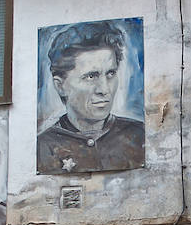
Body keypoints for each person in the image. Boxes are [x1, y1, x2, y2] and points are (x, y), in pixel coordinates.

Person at [37, 21, 145, 173]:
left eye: (110, 74)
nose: (104, 89)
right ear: (60, 86)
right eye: (91, 76)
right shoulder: (43, 147)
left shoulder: (139, 135)